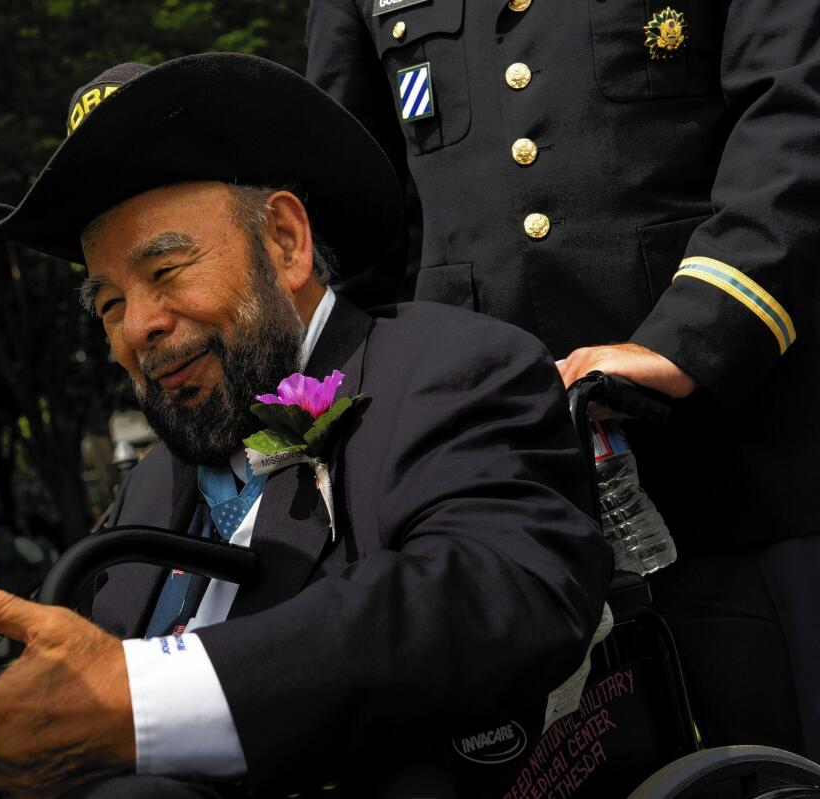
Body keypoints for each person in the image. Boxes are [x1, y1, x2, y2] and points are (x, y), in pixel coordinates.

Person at [0, 53, 613, 798]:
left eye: (164, 271)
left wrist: (139, 702)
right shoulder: (152, 486)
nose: (138, 329)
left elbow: (498, 595)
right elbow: (69, 668)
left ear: (285, 242)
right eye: (108, 305)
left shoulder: (450, 368)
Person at [306, 0, 820, 759]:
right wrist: (338, 423)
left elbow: (796, 115)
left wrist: (694, 337)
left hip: (733, 447)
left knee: (776, 754)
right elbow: (345, 215)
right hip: (494, 469)